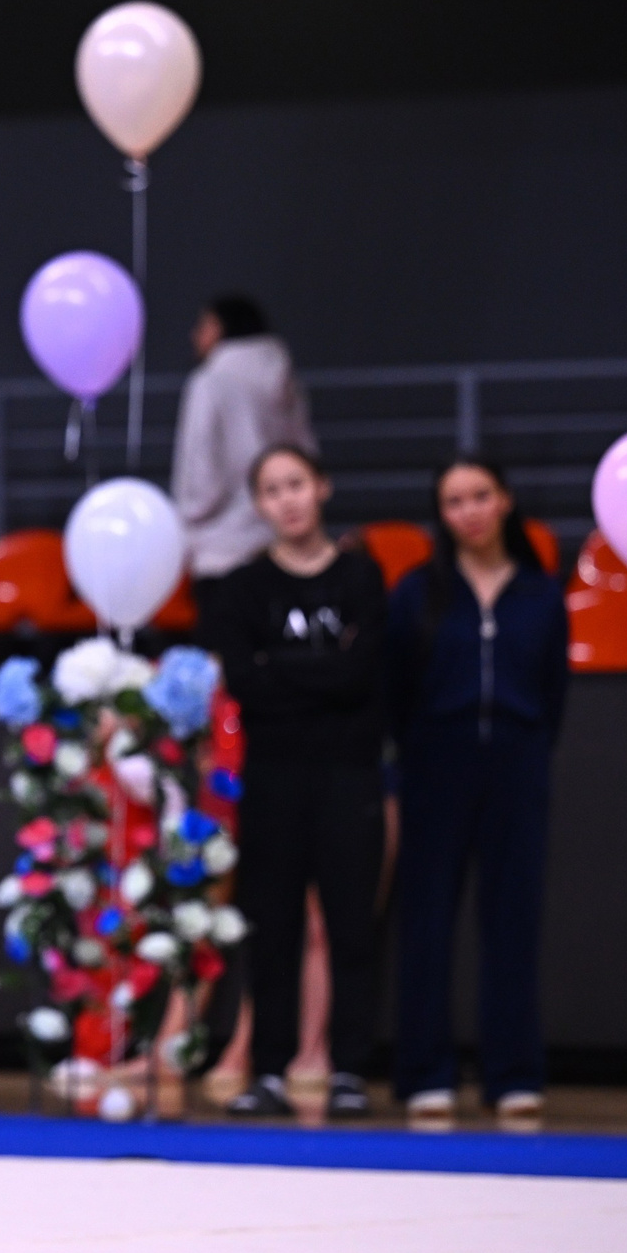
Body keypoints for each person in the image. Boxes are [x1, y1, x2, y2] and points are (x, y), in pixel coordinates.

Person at [384, 456, 569, 1122]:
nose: (469, 510)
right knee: (428, 919)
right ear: (442, 514)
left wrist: (521, 742)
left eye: (480, 495)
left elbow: (553, 694)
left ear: (506, 501)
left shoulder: (541, 594)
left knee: (513, 919)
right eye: (454, 500)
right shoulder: (415, 593)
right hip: (436, 761)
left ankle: (513, 1071)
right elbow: (396, 689)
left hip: (517, 764)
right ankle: (425, 1070)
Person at [205, 445, 387, 1122]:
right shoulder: (243, 588)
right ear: (259, 504)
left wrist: (283, 671)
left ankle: (348, 1069)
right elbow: (246, 684)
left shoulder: (362, 577)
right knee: (272, 924)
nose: (287, 498)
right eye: (272, 488)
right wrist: (317, 675)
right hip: (274, 775)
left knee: (347, 925)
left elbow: (362, 675)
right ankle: (272, 1069)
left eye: (297, 484)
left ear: (322, 487)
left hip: (348, 774)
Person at [171, 295, 314, 620]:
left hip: (221, 550)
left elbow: (199, 471)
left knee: (224, 659)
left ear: (222, 328)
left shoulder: (208, 383)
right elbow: (306, 456)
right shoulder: (286, 379)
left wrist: (189, 519)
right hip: (281, 544)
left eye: (202, 325)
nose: (195, 335)